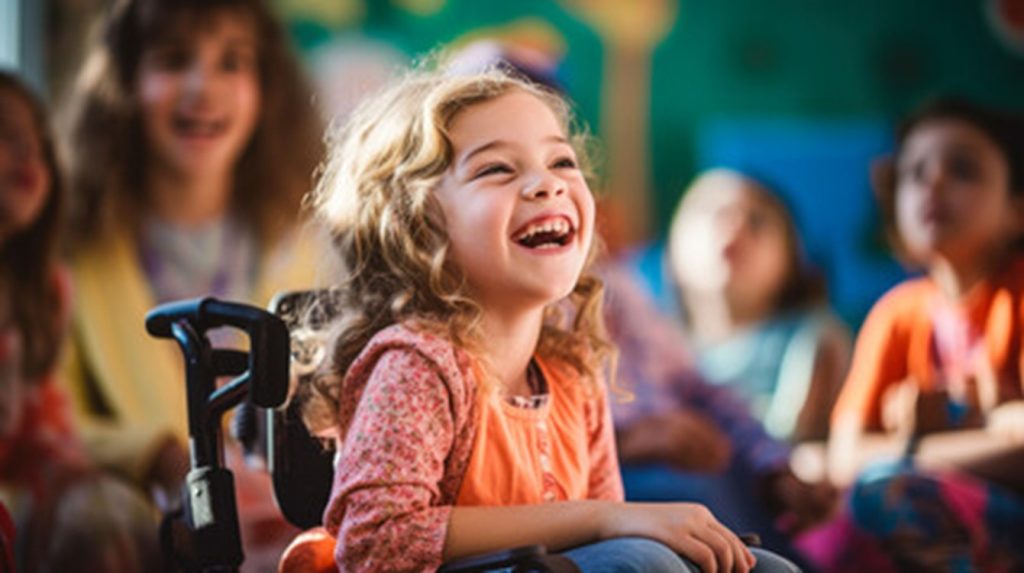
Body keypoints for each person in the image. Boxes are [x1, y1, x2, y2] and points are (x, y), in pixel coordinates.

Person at [294, 66, 801, 572]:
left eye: (561, 161)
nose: (547, 184)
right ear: (418, 229)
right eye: (497, 169)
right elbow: (376, 540)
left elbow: (608, 530)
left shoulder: (574, 373)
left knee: (764, 567)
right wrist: (602, 520)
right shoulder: (419, 365)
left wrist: (611, 522)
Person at [59, 0, 325, 566]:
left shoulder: (315, 239)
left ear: (266, 90)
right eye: (175, 61)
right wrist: (155, 455)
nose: (204, 88)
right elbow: (38, 415)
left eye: (232, 63)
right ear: (122, 84)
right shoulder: (65, 247)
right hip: (137, 520)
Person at [827, 97, 1024, 570]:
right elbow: (845, 456)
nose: (933, 183)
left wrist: (907, 451)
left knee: (889, 489)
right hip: (933, 507)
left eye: (963, 170)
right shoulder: (896, 314)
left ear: (1017, 210)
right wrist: (993, 431)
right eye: (914, 173)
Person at [0, 69, 159, 573]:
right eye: (5, 135)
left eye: (40, 143)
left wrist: (64, 474)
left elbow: (40, 425)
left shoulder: (43, 292)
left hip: (18, 485)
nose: (30, 156)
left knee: (107, 516)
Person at [603, 263, 836, 568]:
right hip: (614, 468)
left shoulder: (618, 285)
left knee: (730, 467)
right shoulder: (550, 292)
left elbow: (700, 391)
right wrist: (623, 441)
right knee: (692, 492)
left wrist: (771, 468)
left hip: (696, 458)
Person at [635, 169, 850, 444]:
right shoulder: (650, 349)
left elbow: (792, 435)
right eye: (713, 213)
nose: (734, 227)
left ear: (792, 257)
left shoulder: (813, 337)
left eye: (757, 221)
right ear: (672, 248)